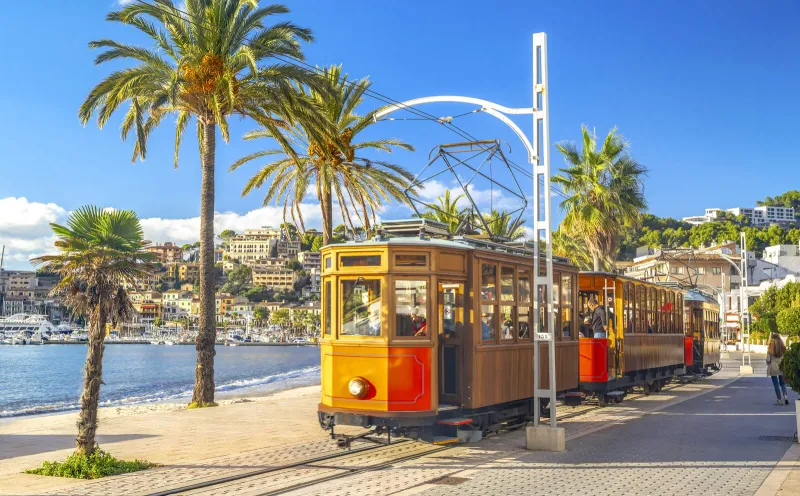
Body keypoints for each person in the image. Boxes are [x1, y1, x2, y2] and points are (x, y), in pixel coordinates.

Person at [767, 333, 789, 406]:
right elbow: (786, 358)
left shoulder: (770, 348)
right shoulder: (783, 348)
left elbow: (768, 359)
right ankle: (785, 397)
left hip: (773, 368)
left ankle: (779, 400)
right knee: (782, 383)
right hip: (782, 367)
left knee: (776, 385)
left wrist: (768, 362)